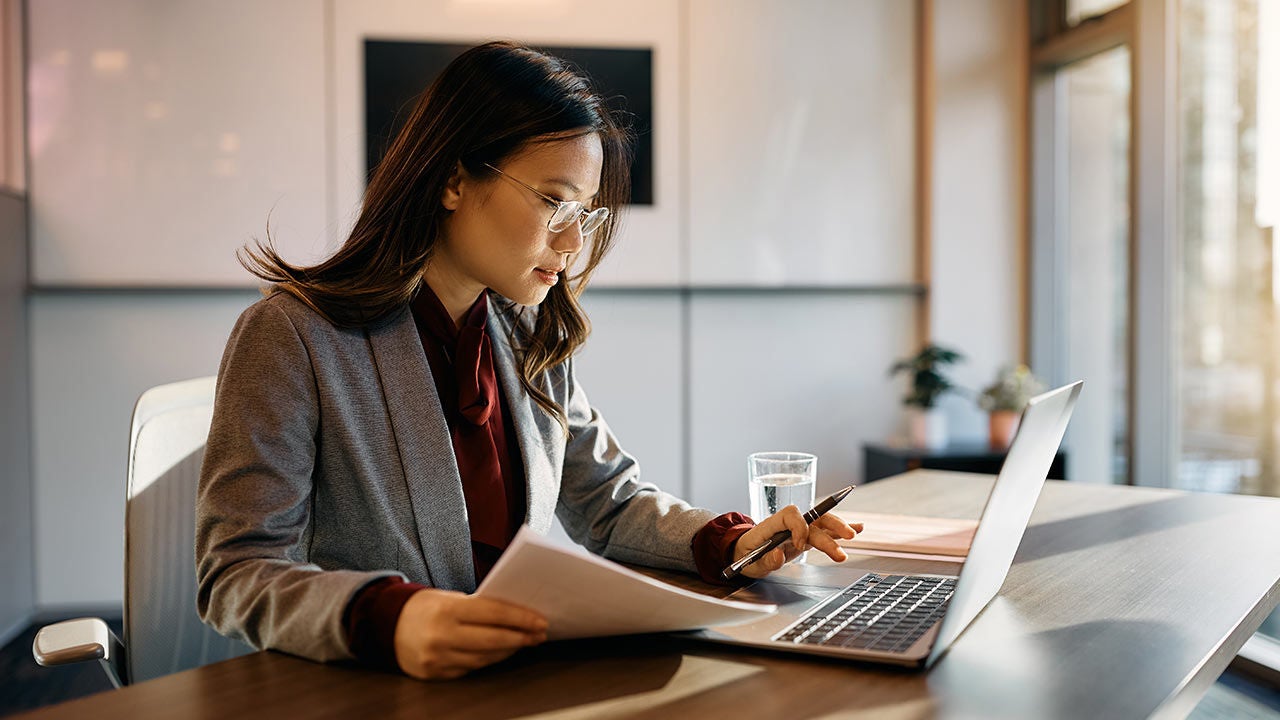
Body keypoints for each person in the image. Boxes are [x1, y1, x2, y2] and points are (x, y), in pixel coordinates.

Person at [195, 40, 860, 681]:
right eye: (552, 202)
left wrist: (734, 544)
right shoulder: (293, 336)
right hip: (365, 689)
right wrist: (390, 617)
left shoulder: (524, 331)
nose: (572, 241)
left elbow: (607, 502)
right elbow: (238, 569)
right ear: (454, 180)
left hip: (507, 682)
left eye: (585, 213)